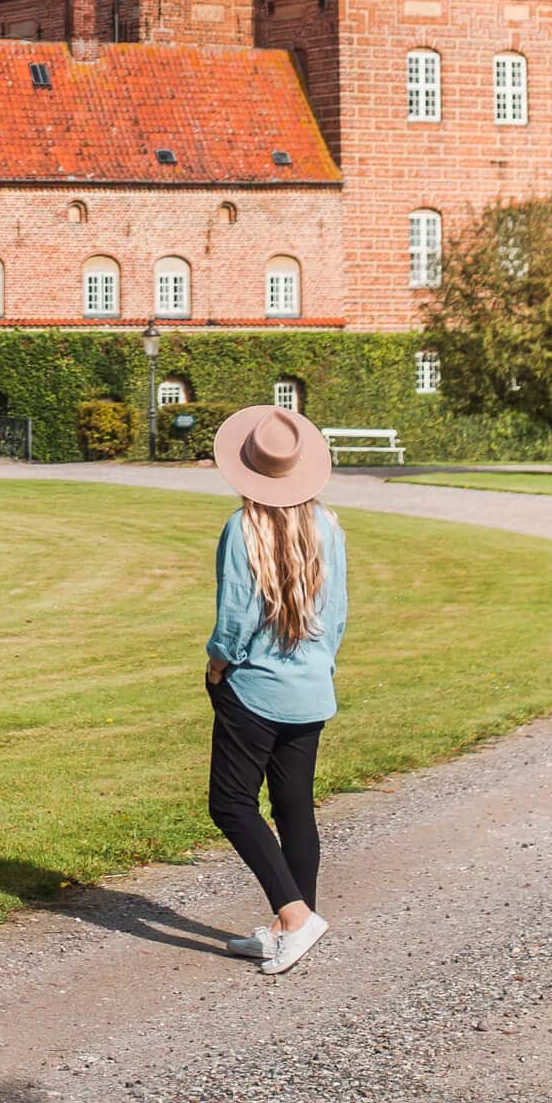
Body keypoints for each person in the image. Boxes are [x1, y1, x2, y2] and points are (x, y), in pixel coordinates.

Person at [204, 403, 347, 975]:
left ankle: (295, 917)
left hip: (256, 689)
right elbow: (334, 616)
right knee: (293, 807)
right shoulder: (329, 526)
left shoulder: (242, 528)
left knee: (232, 803)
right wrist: (319, 664)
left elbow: (235, 618)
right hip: (312, 685)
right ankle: (294, 924)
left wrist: (218, 665)